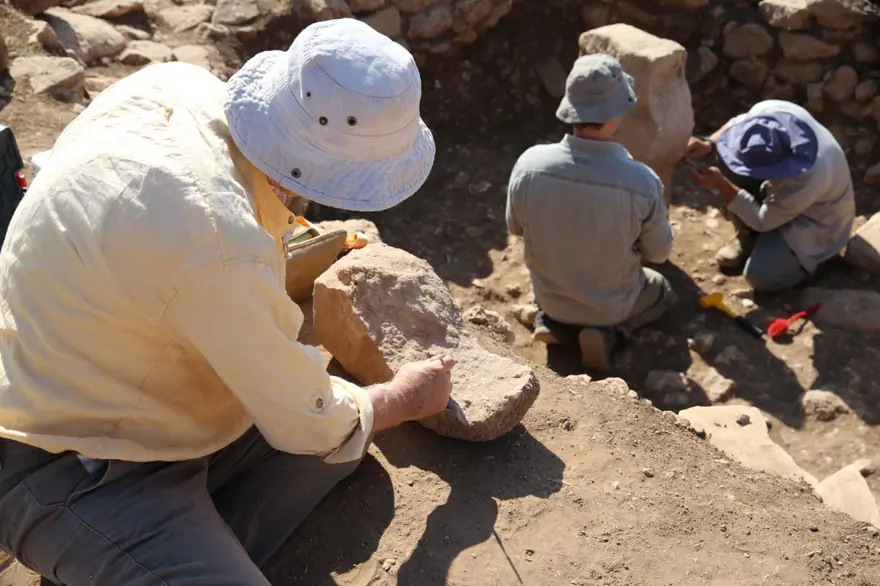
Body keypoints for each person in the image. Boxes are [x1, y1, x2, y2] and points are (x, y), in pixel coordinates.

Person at [0, 20, 454, 585]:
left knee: (341, 444)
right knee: (337, 428)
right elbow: (311, 421)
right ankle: (119, 543)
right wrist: (404, 397)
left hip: (141, 388)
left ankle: (152, 551)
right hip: (66, 458)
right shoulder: (218, 242)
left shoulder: (176, 84)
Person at [506, 53, 676, 372]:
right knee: (662, 292)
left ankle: (553, 324)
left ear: (571, 109)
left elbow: (515, 228)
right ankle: (608, 334)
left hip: (551, 297)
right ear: (617, 113)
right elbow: (659, 253)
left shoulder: (529, 165)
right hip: (611, 306)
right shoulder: (640, 181)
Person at [686, 100, 855, 291]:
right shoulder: (768, 112)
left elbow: (763, 220)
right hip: (787, 200)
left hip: (815, 223)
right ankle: (749, 236)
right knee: (726, 156)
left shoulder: (806, 177)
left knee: (760, 276)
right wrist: (709, 143)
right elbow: (736, 124)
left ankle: (813, 266)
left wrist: (722, 184)